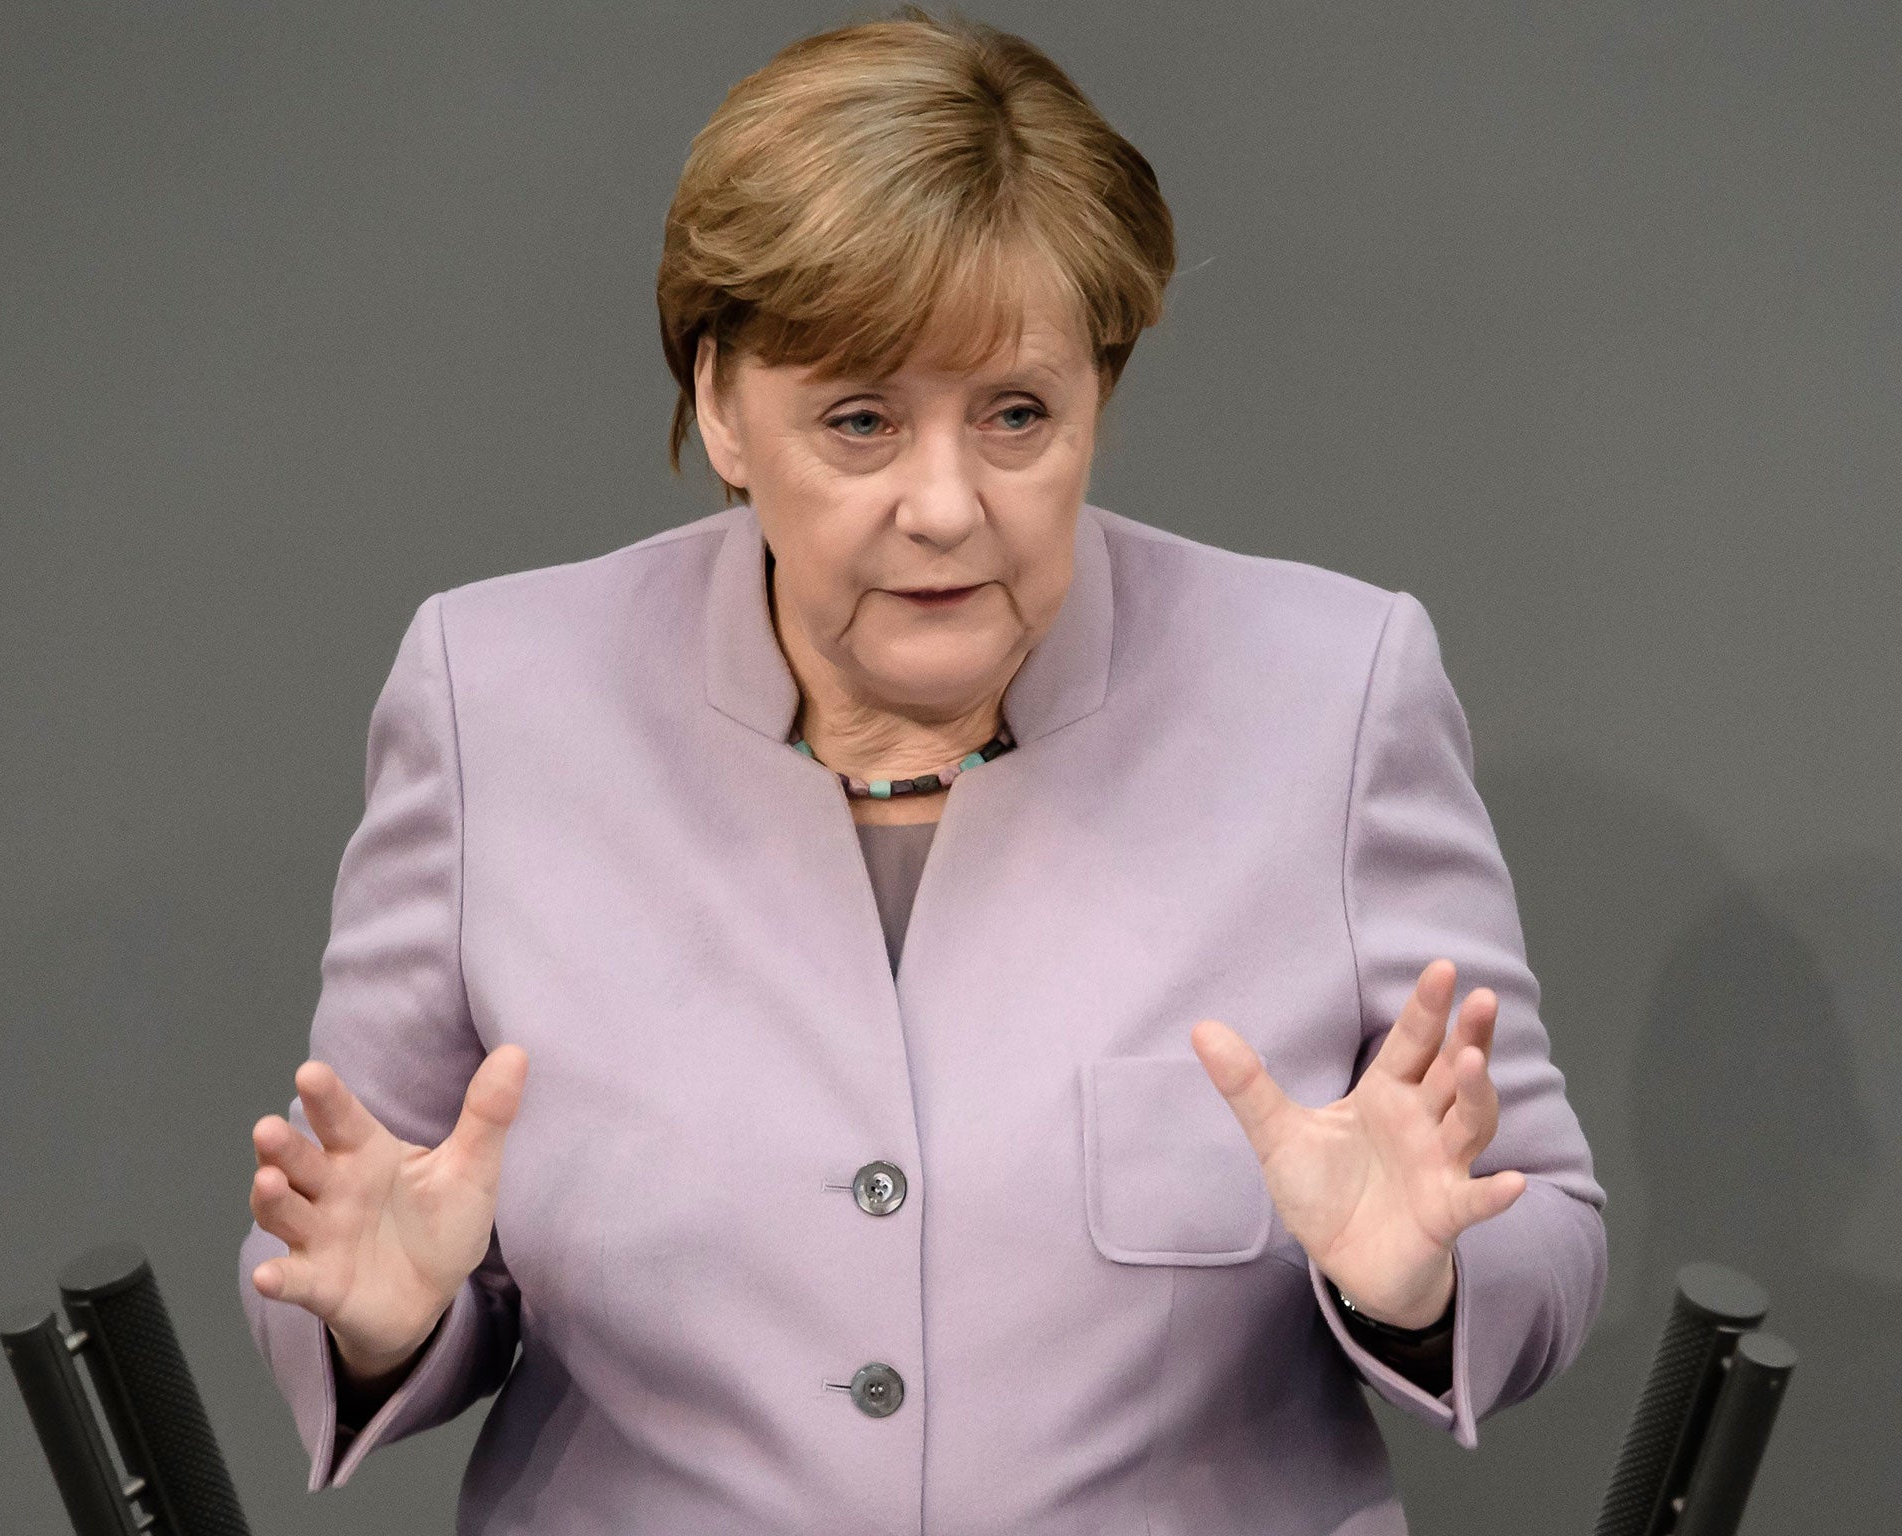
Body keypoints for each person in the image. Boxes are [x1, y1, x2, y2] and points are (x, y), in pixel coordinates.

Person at [238, 9, 1606, 1533]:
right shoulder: (494, 699)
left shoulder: (1334, 692)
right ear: (719, 405)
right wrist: (383, 1320)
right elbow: (351, 1231)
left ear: (1100, 398)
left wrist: (1423, 1282)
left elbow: (1540, 1227)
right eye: (861, 420)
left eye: (1017, 415)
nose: (945, 505)